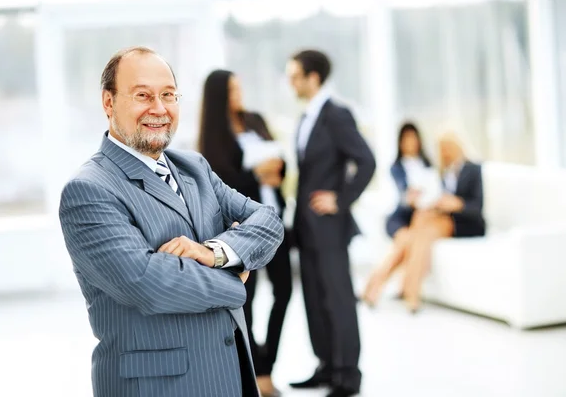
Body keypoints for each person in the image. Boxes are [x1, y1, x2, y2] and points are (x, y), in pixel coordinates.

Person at [58, 46, 284, 397]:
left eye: (168, 95)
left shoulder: (194, 167)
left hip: (229, 376)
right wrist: (236, 278)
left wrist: (215, 253)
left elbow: (267, 221)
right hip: (159, 386)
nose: (159, 109)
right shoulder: (89, 190)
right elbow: (149, 284)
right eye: (142, 95)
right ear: (108, 102)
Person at [286, 49, 376, 397]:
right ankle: (325, 366)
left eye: (295, 76)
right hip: (306, 225)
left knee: (338, 298)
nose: (291, 83)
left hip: (329, 226)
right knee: (314, 297)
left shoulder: (336, 114)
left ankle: (347, 375)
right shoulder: (306, 116)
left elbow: (366, 161)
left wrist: (341, 198)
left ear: (313, 78)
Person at [197, 69, 292, 397]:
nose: (239, 93)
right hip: (241, 230)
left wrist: (276, 171)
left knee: (285, 292)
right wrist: (257, 174)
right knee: (246, 300)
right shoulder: (213, 135)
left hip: (276, 221)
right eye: (232, 89)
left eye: (239, 86)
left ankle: (268, 363)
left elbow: (280, 163)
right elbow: (224, 184)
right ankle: (257, 371)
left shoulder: (255, 120)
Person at [362, 131, 485, 312]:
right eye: (441, 149)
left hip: (464, 222)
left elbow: (476, 206)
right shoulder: (441, 172)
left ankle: (397, 286)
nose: (445, 153)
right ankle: (388, 283)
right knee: (413, 231)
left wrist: (456, 204)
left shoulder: (473, 169)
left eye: (448, 148)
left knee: (421, 234)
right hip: (438, 216)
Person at [361, 122, 433, 305]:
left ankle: (374, 285)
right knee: (405, 243)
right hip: (400, 218)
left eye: (413, 138)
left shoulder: (428, 165)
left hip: (421, 219)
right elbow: (403, 193)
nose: (410, 143)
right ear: (400, 143)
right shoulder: (397, 167)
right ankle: (376, 285)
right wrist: (411, 196)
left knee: (408, 246)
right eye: (406, 139)